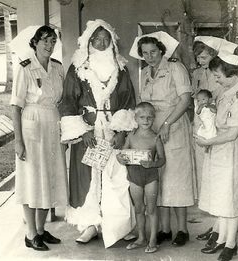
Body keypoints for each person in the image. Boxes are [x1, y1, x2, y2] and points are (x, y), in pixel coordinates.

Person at [59, 19, 136, 247]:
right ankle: (90, 225)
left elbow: (128, 100)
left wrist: (121, 131)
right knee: (88, 179)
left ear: (112, 41)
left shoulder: (121, 69)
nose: (102, 43)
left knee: (116, 178)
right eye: (97, 39)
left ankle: (117, 226)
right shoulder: (77, 68)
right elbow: (68, 102)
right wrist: (82, 132)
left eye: (106, 39)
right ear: (89, 41)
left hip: (112, 132)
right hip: (89, 133)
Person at [129, 31, 194, 246]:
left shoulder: (175, 67)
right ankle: (165, 229)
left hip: (173, 126)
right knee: (158, 177)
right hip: (152, 128)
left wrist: (167, 123)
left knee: (176, 177)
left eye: (153, 52)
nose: (149, 56)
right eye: (145, 53)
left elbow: (185, 100)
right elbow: (143, 105)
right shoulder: (146, 72)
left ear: (161, 51)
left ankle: (182, 229)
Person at [10, 25, 68, 251]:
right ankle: (30, 233)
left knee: (49, 178)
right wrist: (18, 140)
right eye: (45, 40)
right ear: (35, 42)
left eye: (53, 41)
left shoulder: (57, 68)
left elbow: (61, 101)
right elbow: (15, 106)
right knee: (31, 179)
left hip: (52, 123)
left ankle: (42, 230)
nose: (49, 45)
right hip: (31, 125)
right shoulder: (25, 68)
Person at [195, 49, 238, 261]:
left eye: (218, 76)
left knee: (230, 197)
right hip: (218, 148)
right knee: (221, 196)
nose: (216, 80)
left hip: (227, 150)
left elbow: (232, 133)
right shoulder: (227, 91)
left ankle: (231, 244)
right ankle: (221, 239)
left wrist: (208, 141)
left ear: (232, 74)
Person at [192, 36, 238, 242]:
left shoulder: (222, 78)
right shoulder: (199, 73)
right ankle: (217, 227)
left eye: (203, 56)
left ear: (214, 55)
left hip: (217, 132)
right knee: (210, 182)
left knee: (221, 187)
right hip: (204, 128)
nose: (200, 60)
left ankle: (220, 230)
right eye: (198, 57)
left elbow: (220, 106)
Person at [116, 102, 166, 253]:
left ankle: (153, 240)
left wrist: (152, 164)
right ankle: (141, 237)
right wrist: (120, 158)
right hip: (134, 177)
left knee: (151, 209)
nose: (146, 120)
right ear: (135, 119)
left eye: (150, 118)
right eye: (142, 117)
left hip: (150, 177)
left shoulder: (156, 138)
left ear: (154, 119)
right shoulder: (131, 136)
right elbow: (122, 154)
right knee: (139, 208)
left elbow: (163, 160)